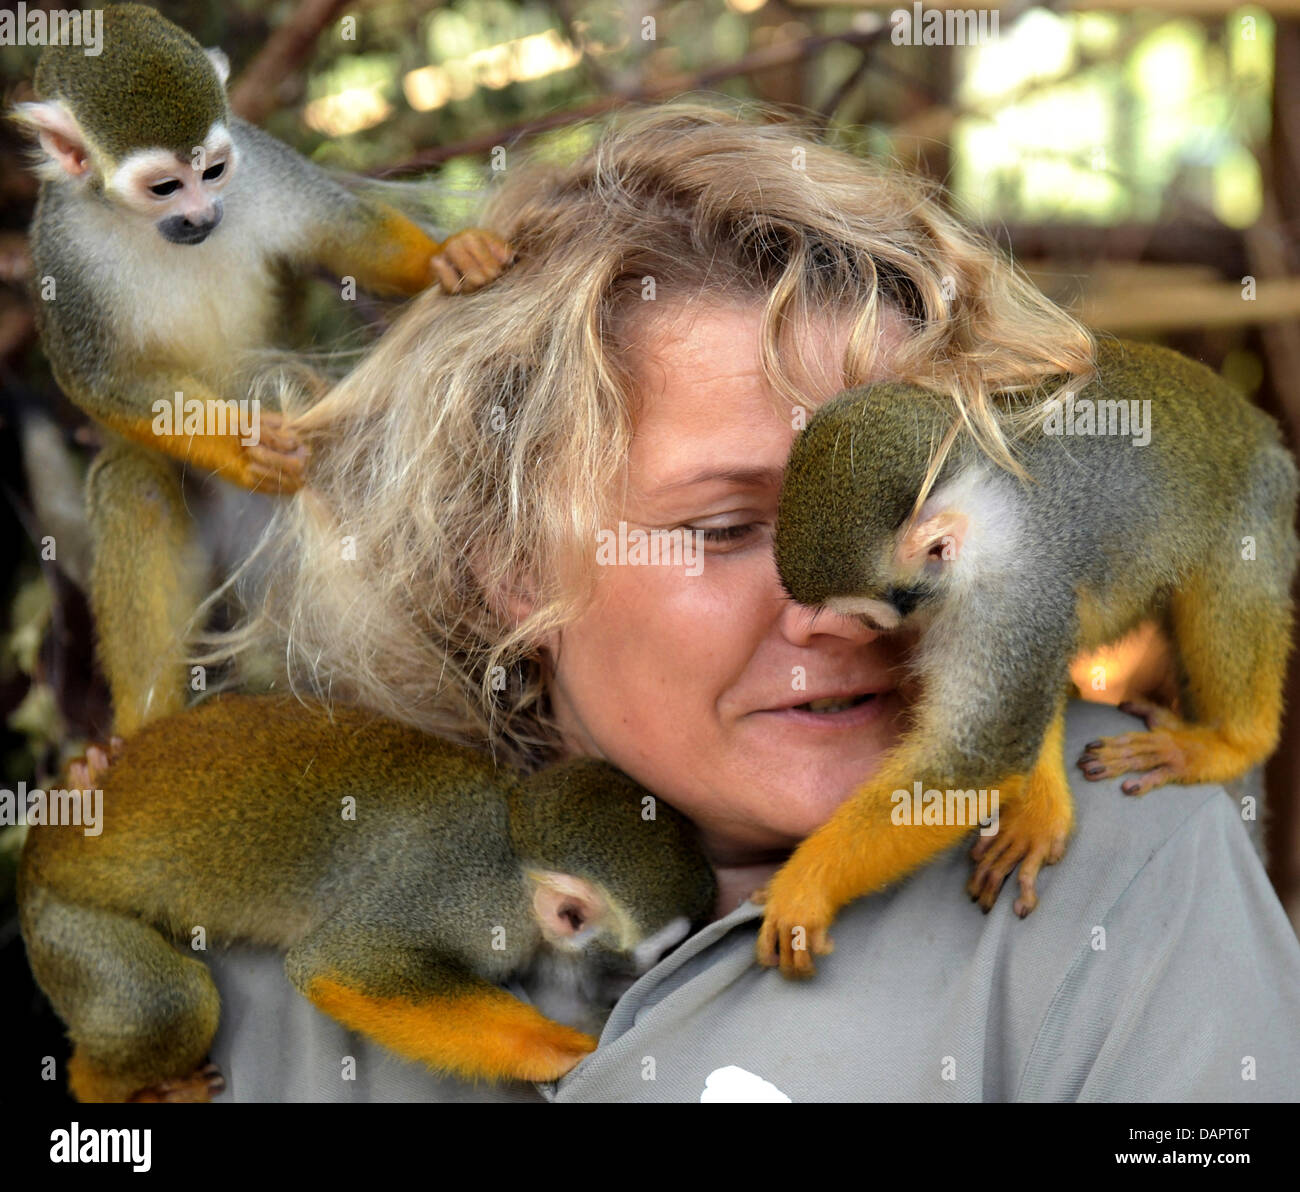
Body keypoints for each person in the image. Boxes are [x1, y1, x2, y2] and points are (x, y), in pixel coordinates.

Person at [203, 100, 1300, 1102]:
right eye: (724, 531)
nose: (840, 615)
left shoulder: (1126, 868)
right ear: (506, 566)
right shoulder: (294, 910)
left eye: (915, 519)